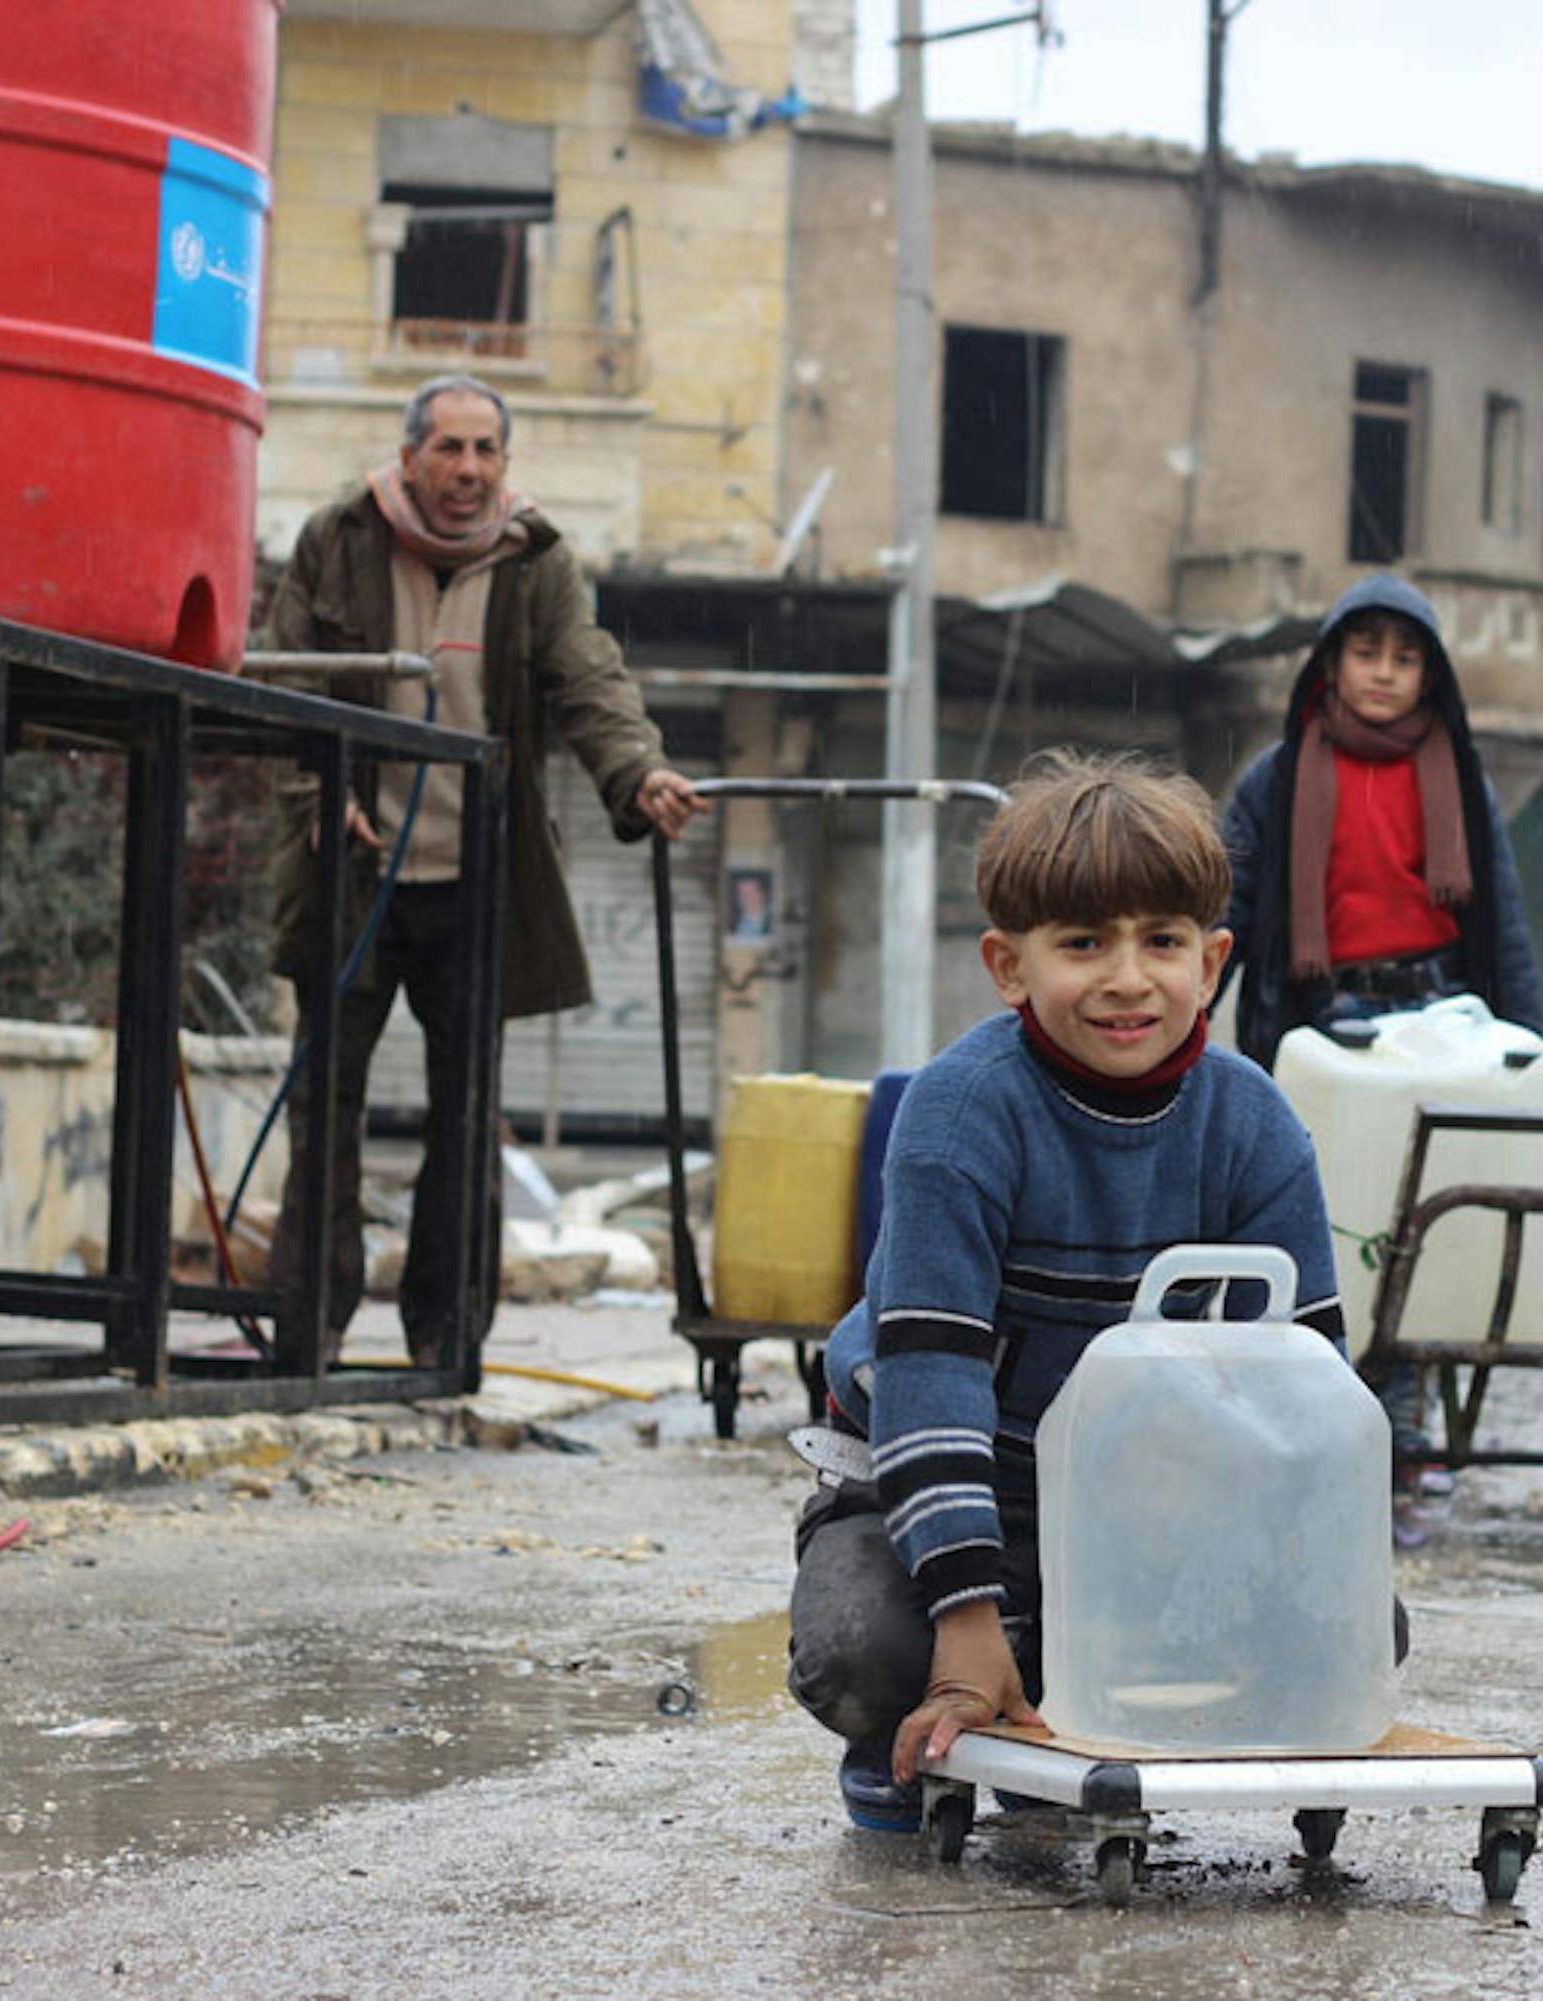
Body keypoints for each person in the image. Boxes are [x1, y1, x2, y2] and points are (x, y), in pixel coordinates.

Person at [785, 751, 1357, 1832]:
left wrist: (1295, 1616)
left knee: (1362, 1624)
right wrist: (963, 1612)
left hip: (1153, 1509)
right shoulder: (960, 1116)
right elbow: (931, 1373)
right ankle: (917, 1731)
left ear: (1214, 958)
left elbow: (1308, 1396)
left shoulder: (1257, 1126)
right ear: (1009, 965)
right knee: (869, 1651)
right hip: (951, 1482)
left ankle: (1041, 1710)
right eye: (1083, 943)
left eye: (1163, 942)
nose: (1128, 979)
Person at [259, 373, 707, 1366]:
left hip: (474, 885)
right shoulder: (338, 537)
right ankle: (305, 1335)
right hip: (351, 881)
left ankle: (446, 1345)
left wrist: (638, 774)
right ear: (412, 453)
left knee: (465, 1123)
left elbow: (588, 676)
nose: (467, 471)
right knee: (324, 1111)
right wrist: (317, 798)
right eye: (449, 449)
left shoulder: (536, 561)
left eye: (485, 451)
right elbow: (283, 684)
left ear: (505, 461)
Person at [1218, 574, 1543, 1537]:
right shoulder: (1274, 780)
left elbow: (1505, 923)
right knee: (1337, 1224)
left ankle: (1404, 1424)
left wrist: (1531, 1043)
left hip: (1444, 1015)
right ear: (1331, 662)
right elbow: (1226, 906)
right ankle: (1335, 1418)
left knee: (1430, 1218)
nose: (1385, 674)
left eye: (1406, 658)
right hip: (1327, 1025)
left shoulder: (1461, 780)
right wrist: (1184, 1000)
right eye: (1368, 653)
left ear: (1430, 676)